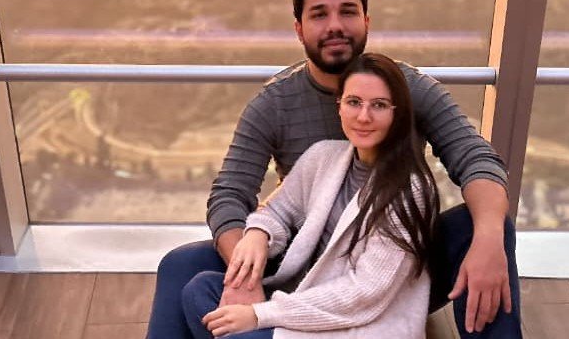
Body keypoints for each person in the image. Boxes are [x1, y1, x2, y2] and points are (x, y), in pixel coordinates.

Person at [148, 0, 521, 338]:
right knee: (182, 267)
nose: (335, 26)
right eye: (319, 15)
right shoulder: (277, 105)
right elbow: (231, 194)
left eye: (347, 12)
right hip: (305, 260)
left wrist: (488, 242)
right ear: (299, 29)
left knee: (487, 226)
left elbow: (476, 159)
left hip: (392, 271)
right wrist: (245, 271)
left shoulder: (409, 89)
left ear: (366, 21)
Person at [181, 53, 440, 338]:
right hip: (300, 302)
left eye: (378, 105)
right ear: (339, 106)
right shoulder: (323, 156)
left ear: (397, 113)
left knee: (221, 319)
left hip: (353, 326)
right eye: (354, 102)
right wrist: (257, 234)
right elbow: (277, 210)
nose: (363, 116)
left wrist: (259, 315)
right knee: (201, 289)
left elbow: (364, 293)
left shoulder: (410, 190)